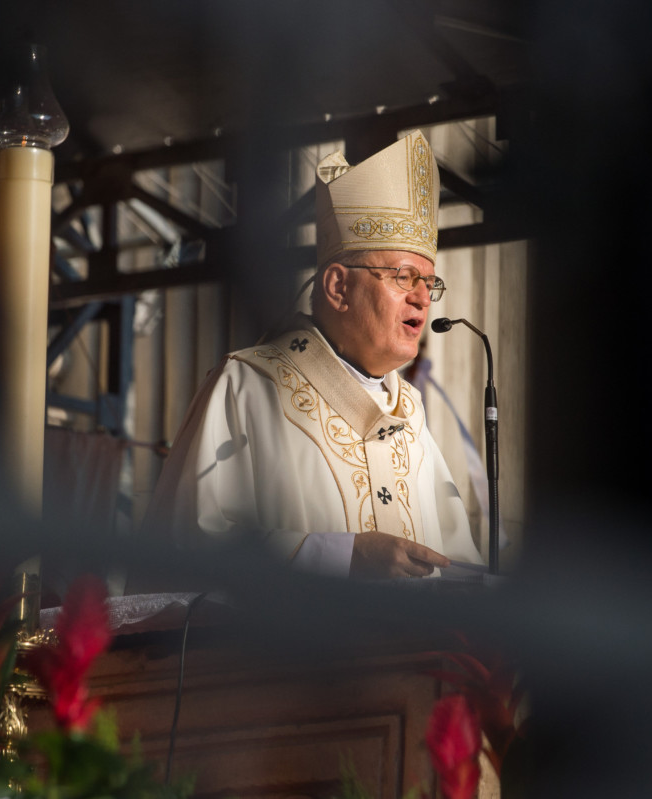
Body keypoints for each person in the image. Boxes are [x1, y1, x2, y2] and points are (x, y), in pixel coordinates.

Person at [144, 130, 483, 579]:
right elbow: (188, 539)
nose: (422, 297)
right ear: (338, 287)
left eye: (429, 282)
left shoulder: (410, 413)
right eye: (404, 276)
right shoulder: (247, 384)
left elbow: (458, 563)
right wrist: (343, 556)